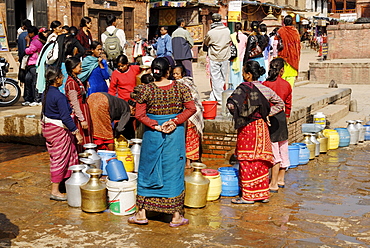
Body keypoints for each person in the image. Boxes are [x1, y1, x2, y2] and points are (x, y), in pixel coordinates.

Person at [129, 57, 196, 226]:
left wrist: (155, 126)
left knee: (147, 168)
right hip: (174, 134)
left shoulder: (145, 90)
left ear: (153, 72)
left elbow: (139, 115)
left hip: (153, 134)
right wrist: (174, 121)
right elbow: (191, 108)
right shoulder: (181, 88)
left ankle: (141, 214)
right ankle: (175, 216)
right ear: (168, 72)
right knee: (173, 170)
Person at [227, 60, 284, 204]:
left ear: (248, 75)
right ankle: (262, 194)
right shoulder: (265, 89)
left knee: (247, 160)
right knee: (261, 160)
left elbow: (231, 105)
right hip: (262, 127)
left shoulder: (243, 88)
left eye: (244, 72)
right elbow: (280, 103)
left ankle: (248, 196)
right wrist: (266, 114)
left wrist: (242, 113)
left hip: (248, 128)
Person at [41, 66, 83, 201]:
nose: (63, 79)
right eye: (61, 77)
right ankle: (55, 191)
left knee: (69, 153)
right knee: (59, 158)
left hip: (49, 127)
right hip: (58, 129)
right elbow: (65, 117)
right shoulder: (58, 96)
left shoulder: (46, 93)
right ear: (57, 79)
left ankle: (67, 183)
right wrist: (76, 132)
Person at [263, 58, 292, 192]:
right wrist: (286, 118)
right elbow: (288, 105)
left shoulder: (266, 84)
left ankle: (273, 183)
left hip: (271, 117)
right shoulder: (287, 85)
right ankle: (281, 179)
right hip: (282, 117)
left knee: (274, 151)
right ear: (282, 70)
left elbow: (263, 104)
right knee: (283, 148)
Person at [172, 64, 203, 168]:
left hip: (191, 114)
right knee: (191, 137)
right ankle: (189, 160)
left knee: (190, 137)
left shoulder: (182, 84)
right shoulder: (189, 82)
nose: (175, 76)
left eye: (177, 74)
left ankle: (188, 162)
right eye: (174, 74)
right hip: (193, 113)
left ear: (182, 74)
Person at [65, 57, 93, 151]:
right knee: (82, 138)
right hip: (79, 113)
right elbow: (74, 103)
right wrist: (82, 119)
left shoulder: (77, 80)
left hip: (84, 110)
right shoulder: (71, 83)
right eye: (79, 67)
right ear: (72, 68)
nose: (81, 69)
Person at [203, 13, 231, 104]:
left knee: (215, 78)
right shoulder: (227, 30)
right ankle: (215, 96)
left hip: (214, 56)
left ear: (212, 20)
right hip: (225, 56)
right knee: (222, 78)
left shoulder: (211, 32)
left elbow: (206, 43)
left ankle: (219, 98)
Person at [278, 15, 301, 87]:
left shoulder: (280, 31)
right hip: (293, 59)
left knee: (282, 80)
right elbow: (298, 46)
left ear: (284, 22)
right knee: (290, 82)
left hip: (282, 58)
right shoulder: (295, 32)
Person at [24, 26, 44, 106]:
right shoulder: (34, 40)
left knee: (35, 82)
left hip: (34, 63)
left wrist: (27, 44)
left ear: (32, 33)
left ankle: (37, 99)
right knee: (28, 80)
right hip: (30, 64)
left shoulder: (35, 41)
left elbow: (28, 51)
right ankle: (29, 98)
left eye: (29, 33)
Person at [229, 22, 247, 90]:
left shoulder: (231, 36)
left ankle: (233, 89)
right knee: (241, 76)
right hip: (242, 59)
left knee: (233, 76)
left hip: (233, 59)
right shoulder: (244, 37)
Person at [17, 19, 32, 89]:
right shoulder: (32, 34)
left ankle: (26, 94)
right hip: (32, 58)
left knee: (25, 77)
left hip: (23, 57)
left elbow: (20, 48)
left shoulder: (21, 35)